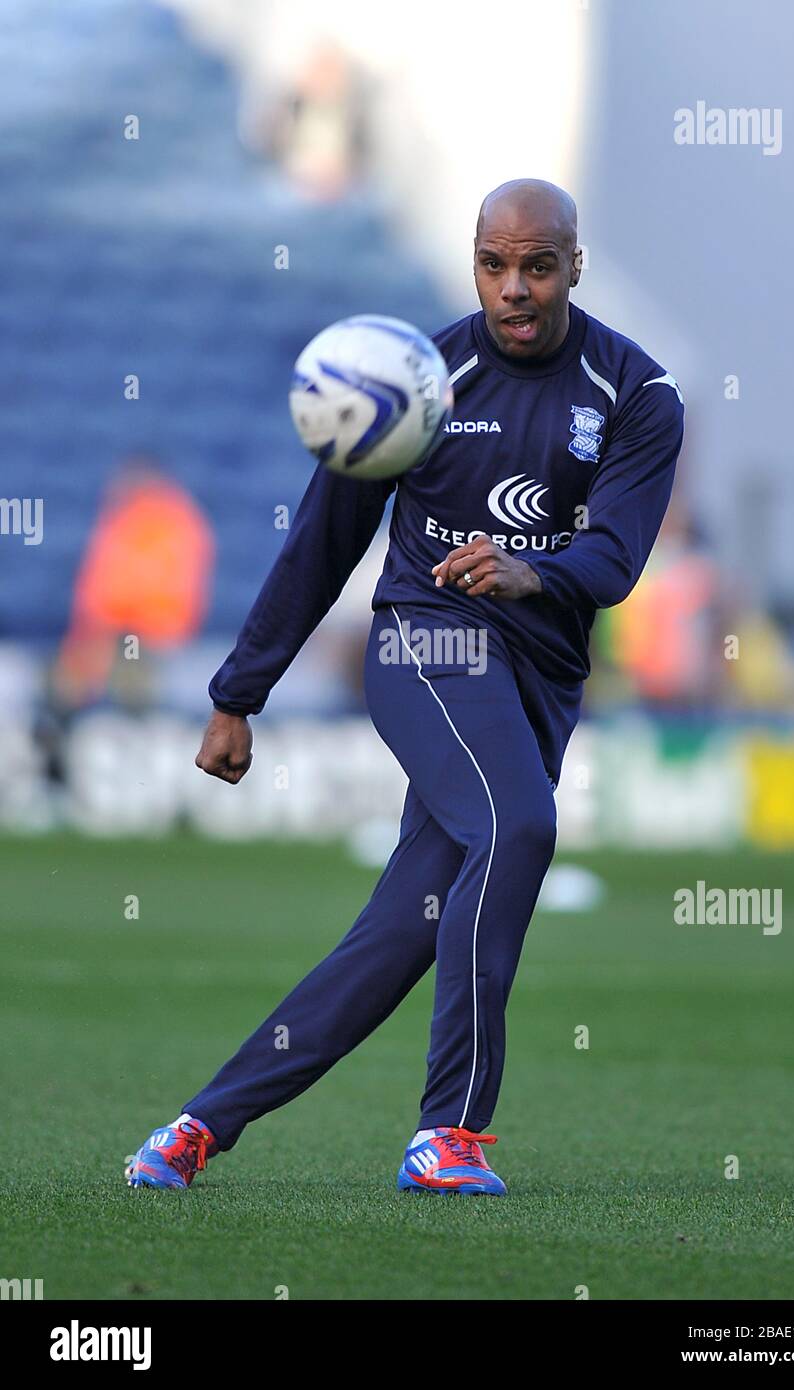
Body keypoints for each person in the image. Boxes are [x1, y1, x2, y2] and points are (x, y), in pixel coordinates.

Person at [126, 178, 684, 1196]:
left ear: (572, 264)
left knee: (406, 925)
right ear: (473, 260)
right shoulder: (413, 380)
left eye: (537, 265)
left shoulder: (637, 396)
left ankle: (197, 1126)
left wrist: (534, 572)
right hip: (428, 647)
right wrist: (235, 694)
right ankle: (448, 1134)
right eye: (492, 264)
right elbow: (320, 546)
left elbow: (613, 558)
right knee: (517, 830)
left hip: (538, 679)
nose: (512, 288)